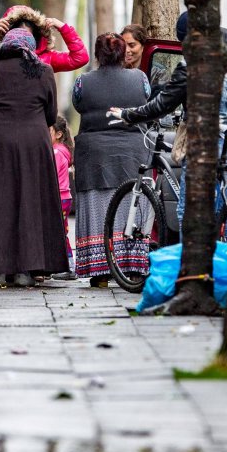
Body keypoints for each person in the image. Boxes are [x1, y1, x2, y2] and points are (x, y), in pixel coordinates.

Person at [109, 17, 227, 242]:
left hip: (200, 141)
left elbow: (162, 104)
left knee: (187, 211)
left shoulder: (190, 66)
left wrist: (128, 114)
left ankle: (189, 271)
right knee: (224, 210)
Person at [0, 28, 68, 287]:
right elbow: (51, 113)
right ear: (29, 46)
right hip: (34, 143)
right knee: (30, 201)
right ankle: (26, 271)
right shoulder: (43, 71)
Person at [72, 33, 151, 288]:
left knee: (97, 207)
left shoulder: (83, 82)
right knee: (132, 207)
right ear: (122, 54)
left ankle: (101, 271)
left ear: (98, 55)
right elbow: (147, 101)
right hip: (132, 154)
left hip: (93, 156)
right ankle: (133, 266)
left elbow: (77, 104)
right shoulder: (140, 79)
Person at [0, 5, 89, 73]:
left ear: (36, 37)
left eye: (27, 36)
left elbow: (80, 58)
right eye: (17, 34)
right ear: (6, 34)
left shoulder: (48, 59)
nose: (21, 41)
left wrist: (63, 27)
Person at [49, 115, 77, 281]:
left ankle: (69, 266)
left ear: (58, 134)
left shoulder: (57, 152)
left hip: (59, 197)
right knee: (61, 231)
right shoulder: (62, 151)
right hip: (64, 197)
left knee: (59, 232)